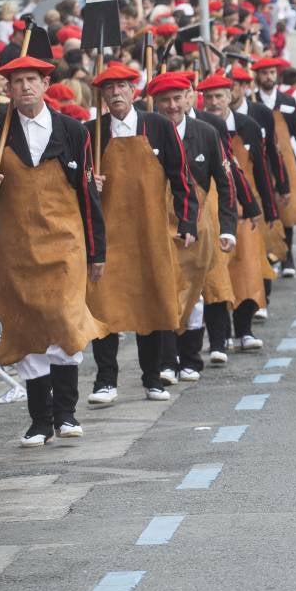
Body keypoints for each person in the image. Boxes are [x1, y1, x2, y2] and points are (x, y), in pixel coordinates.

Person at [0, 54, 107, 447]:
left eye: (32, 80)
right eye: (17, 82)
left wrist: (96, 251)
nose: (25, 87)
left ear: (46, 84)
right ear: (8, 90)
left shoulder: (71, 130)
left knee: (65, 322)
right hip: (17, 247)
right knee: (28, 327)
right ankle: (39, 420)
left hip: (65, 244)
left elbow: (87, 195)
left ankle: (66, 413)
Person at [84, 64, 199, 406]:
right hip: (108, 235)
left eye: (121, 86)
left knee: (149, 303)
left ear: (133, 91)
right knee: (105, 307)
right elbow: (77, 185)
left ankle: (153, 378)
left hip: (150, 231)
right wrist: (91, 184)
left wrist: (187, 222)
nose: (116, 93)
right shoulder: (92, 132)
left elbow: (181, 177)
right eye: (109, 89)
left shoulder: (158, 126)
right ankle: (106, 380)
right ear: (102, 96)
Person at [148, 72, 241, 380]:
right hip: (157, 223)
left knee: (193, 292)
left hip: (197, 222)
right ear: (155, 103)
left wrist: (228, 227)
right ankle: (166, 361)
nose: (172, 106)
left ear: (189, 97)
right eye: (165, 100)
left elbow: (226, 183)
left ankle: (190, 358)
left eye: (178, 98)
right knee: (162, 290)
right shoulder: (146, 132)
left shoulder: (207, 131)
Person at [197, 71, 278, 362]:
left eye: (219, 96)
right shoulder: (200, 127)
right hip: (208, 211)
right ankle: (220, 338)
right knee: (215, 276)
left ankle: (244, 329)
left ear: (231, 96)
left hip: (242, 210)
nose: (214, 102)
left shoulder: (249, 126)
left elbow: (258, 169)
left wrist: (266, 208)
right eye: (209, 97)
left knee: (245, 271)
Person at [252, 57, 296, 277]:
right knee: (265, 208)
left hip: (285, 161)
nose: (268, 77)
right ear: (257, 77)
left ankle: (288, 256)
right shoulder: (252, 103)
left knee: (286, 209)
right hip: (260, 162)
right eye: (264, 73)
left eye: (271, 72)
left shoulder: (288, 102)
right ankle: (269, 255)